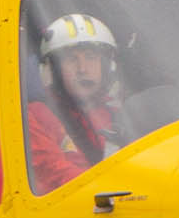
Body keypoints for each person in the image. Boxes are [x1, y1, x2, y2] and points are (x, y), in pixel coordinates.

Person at [26, 12, 125, 192]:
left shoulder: (121, 113)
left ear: (106, 66)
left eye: (91, 57)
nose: (82, 69)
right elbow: (54, 173)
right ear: (54, 70)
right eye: (71, 59)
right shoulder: (35, 114)